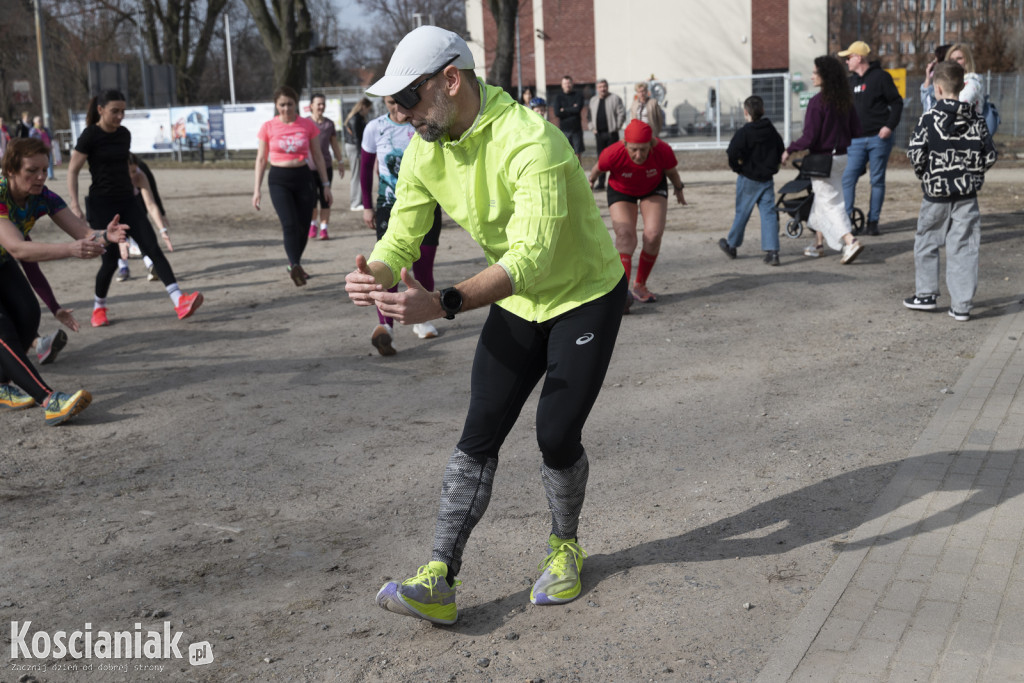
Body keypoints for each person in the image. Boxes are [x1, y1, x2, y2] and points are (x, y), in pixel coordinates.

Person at [345, 25, 625, 625]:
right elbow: (404, 231)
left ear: (452, 80)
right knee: (479, 433)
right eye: (392, 104)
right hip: (519, 301)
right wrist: (379, 270)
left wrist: (443, 303)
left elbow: (533, 259)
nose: (400, 114)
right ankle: (439, 576)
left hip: (583, 295)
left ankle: (565, 545)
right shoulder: (427, 144)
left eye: (408, 99)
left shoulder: (533, 142)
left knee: (554, 434)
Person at [0, 138, 128, 425]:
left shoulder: (43, 196)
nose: (41, 177)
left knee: (28, 315)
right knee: (2, 330)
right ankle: (49, 399)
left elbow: (83, 233)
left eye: (45, 169)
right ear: (10, 169)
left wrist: (105, 235)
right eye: (32, 170)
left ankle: (1, 383)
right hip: (7, 253)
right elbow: (19, 248)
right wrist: (69, 251)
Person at [68, 90, 203, 325]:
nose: (120, 116)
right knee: (109, 262)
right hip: (101, 206)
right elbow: (72, 170)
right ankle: (98, 309)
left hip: (128, 202)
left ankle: (179, 301)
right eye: (115, 111)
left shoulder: (124, 135)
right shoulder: (90, 135)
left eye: (123, 111)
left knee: (152, 248)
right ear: (100, 110)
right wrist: (75, 204)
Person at [903, 61, 997, 322]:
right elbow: (989, 155)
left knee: (927, 240)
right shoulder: (976, 119)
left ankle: (926, 294)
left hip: (935, 195)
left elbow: (915, 153)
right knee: (965, 246)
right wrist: (973, 174)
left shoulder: (929, 118)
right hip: (966, 195)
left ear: (938, 89)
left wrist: (927, 176)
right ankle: (962, 305)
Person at [359, 95, 442, 351]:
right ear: (384, 101)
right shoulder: (375, 128)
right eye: (390, 101)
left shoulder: (422, 124)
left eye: (400, 99)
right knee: (389, 264)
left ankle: (423, 318)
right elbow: (365, 168)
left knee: (423, 265)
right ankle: (386, 327)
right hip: (388, 205)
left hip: (426, 204)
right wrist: (367, 206)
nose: (395, 106)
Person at [588, 119, 685, 304]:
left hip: (653, 187)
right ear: (625, 144)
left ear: (652, 144)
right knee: (625, 236)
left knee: (653, 234)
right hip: (621, 190)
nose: (639, 154)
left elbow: (672, 173)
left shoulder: (662, 150)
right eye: (633, 149)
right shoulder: (612, 153)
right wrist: (590, 183)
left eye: (643, 149)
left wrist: (679, 189)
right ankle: (621, 293)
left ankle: (640, 285)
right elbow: (596, 171)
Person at [781, 56, 864, 265]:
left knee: (829, 203)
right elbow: (856, 130)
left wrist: (789, 150)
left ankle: (850, 240)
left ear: (825, 76)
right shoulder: (845, 100)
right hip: (842, 156)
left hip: (823, 159)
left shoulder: (817, 103)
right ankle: (818, 245)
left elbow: (809, 137)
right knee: (822, 199)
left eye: (815, 72)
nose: (811, 76)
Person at [253, 85, 333, 287]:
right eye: (282, 105)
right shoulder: (268, 127)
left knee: (304, 225)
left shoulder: (307, 125)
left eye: (289, 104)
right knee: (289, 224)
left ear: (296, 104)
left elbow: (318, 156)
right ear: (276, 105)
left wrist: (325, 185)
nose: (286, 108)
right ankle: (295, 264)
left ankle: (295, 264)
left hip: (303, 176)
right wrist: (256, 190)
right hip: (279, 179)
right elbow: (261, 159)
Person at [838, 40, 903, 236]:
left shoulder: (881, 77)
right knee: (848, 177)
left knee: (877, 180)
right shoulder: (850, 83)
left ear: (859, 58)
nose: (847, 62)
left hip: (878, 138)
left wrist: (889, 126)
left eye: (849, 58)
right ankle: (846, 221)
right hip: (855, 140)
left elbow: (897, 103)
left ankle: (873, 221)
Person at [718, 96, 785, 266]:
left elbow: (732, 152)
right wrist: (774, 166)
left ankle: (732, 245)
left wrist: (737, 168)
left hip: (748, 178)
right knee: (769, 214)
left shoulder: (744, 132)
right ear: (762, 111)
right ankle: (773, 251)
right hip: (767, 179)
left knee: (743, 213)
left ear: (746, 112)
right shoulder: (771, 130)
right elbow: (780, 149)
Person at [116, 155, 171, 282]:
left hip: (137, 205)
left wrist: (162, 221)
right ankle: (123, 267)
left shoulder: (142, 171)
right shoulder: (112, 179)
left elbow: (152, 196)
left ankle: (150, 265)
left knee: (142, 235)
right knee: (120, 239)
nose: (133, 175)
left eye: (135, 171)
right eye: (130, 172)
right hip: (114, 209)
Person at [307, 93, 345, 241]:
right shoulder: (306, 123)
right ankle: (312, 224)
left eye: (323, 104)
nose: (321, 106)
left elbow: (334, 145)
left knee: (325, 198)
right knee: (311, 199)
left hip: (326, 167)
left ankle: (324, 228)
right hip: (309, 168)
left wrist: (340, 161)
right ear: (311, 106)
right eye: (318, 104)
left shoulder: (329, 124)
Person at [588, 79, 627, 190]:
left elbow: (621, 113)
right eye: (600, 87)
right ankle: (601, 183)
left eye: (604, 86)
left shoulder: (615, 98)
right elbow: (589, 116)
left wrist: (616, 127)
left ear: (607, 87)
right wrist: (592, 128)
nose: (603, 89)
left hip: (612, 134)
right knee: (601, 159)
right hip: (599, 134)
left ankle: (616, 182)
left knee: (615, 159)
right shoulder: (593, 100)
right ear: (597, 88)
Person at [342, 98, 372, 211]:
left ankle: (358, 201)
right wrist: (360, 153)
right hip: (354, 147)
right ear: (363, 106)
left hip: (354, 146)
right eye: (368, 109)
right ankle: (355, 203)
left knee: (358, 174)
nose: (368, 111)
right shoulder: (356, 118)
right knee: (356, 174)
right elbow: (356, 137)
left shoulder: (357, 117)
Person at [552, 75, 585, 161]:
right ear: (562, 85)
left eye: (569, 83)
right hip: (564, 130)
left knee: (577, 154)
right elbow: (557, 112)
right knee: (566, 154)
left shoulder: (578, 95)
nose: (567, 85)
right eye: (565, 83)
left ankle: (578, 173)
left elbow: (577, 109)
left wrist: (564, 110)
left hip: (576, 130)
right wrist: (572, 108)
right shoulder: (558, 97)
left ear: (572, 84)